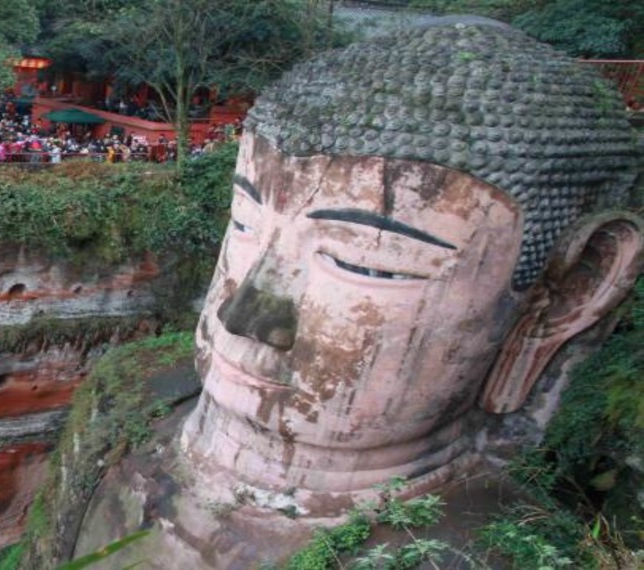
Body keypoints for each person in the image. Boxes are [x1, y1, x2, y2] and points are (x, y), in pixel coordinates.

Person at [178, 20, 641, 512]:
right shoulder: (126, 410)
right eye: (244, 222)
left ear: (568, 296)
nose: (243, 317)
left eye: (366, 264)